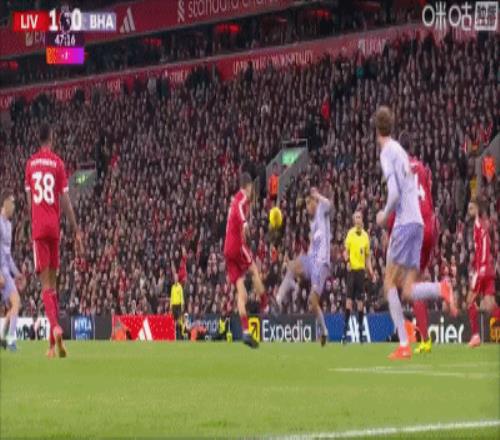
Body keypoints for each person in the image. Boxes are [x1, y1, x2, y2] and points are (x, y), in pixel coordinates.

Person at [374, 106, 456, 360]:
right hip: (420, 224)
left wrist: (383, 214)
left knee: (389, 283)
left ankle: (404, 344)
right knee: (408, 289)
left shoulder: (387, 152)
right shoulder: (402, 152)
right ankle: (441, 288)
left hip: (404, 224)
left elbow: (394, 193)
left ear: (376, 129)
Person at [24, 123, 83, 358]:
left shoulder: (30, 164)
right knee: (54, 287)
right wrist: (76, 230)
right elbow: (65, 200)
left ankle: (56, 328)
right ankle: (53, 345)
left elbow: (29, 202)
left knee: (46, 286)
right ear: (51, 138)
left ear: (39, 139)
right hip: (54, 228)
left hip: (39, 227)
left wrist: (30, 226)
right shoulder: (58, 163)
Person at [386, 131, 438, 354]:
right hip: (429, 226)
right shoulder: (423, 168)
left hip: (411, 228)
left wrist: (390, 230)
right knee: (415, 282)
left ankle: (412, 339)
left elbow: (395, 204)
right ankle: (424, 338)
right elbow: (430, 199)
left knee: (401, 284)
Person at [276, 187, 331, 346]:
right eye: (306, 204)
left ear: (315, 201)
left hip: (321, 265)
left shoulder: (322, 210)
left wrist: (317, 195)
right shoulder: (312, 222)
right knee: (293, 266)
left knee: (313, 302)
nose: (307, 207)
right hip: (311, 260)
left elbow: (329, 204)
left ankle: (324, 331)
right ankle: (279, 298)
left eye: (309, 203)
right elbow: (312, 245)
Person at [223, 172, 265, 348]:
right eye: (251, 187)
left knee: (243, 295)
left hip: (227, 250)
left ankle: (246, 332)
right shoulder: (241, 198)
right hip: (236, 246)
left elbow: (234, 211)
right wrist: (245, 223)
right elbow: (239, 209)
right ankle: (266, 305)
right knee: (254, 270)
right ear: (248, 186)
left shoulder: (235, 199)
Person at [466, 199, 498, 348]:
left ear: (477, 209)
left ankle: (475, 336)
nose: (469, 211)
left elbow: (484, 244)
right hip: (488, 269)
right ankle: (475, 337)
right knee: (491, 306)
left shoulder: (479, 224)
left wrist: (481, 268)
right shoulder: (481, 223)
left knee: (469, 301)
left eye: (471, 208)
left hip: (483, 270)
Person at [342, 210, 375, 343]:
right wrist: (347, 262)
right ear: (353, 220)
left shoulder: (366, 236)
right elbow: (345, 251)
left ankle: (361, 333)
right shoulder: (350, 234)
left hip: (361, 272)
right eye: (356, 217)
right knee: (349, 302)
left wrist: (371, 271)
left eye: (360, 217)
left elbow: (367, 257)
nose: (358, 219)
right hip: (352, 272)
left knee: (361, 303)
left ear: (362, 220)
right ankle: (345, 333)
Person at [0, 190, 26, 351]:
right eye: (12, 203)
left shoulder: (9, 226)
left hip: (5, 270)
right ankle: (9, 339)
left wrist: (17, 274)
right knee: (16, 302)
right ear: (4, 203)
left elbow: (8, 256)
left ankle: (5, 337)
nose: (14, 207)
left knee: (16, 303)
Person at [170, 272, 184, 340]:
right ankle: (174, 337)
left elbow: (181, 296)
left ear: (178, 279)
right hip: (174, 306)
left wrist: (182, 305)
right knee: (174, 322)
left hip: (178, 306)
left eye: (176, 278)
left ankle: (180, 337)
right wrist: (170, 306)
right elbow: (171, 297)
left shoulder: (180, 287)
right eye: (174, 278)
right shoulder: (172, 287)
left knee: (179, 321)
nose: (175, 279)